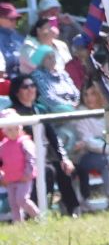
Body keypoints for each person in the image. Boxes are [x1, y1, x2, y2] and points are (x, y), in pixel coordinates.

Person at [8, 78, 76, 215]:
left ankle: (71, 210)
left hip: (43, 155)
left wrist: (64, 157)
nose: (30, 89)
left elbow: (53, 136)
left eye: (33, 85)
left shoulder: (41, 109)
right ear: (16, 92)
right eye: (25, 86)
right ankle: (39, 211)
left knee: (63, 168)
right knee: (47, 171)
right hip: (22, 158)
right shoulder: (11, 113)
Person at [1, 110, 41, 223]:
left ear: (21, 127)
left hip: (24, 178)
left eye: (16, 128)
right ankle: (18, 223)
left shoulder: (25, 142)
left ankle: (38, 217)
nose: (13, 132)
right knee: (13, 203)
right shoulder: (3, 145)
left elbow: (31, 157)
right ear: (4, 130)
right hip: (10, 179)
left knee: (22, 199)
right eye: (9, 129)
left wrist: (28, 172)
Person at [0, 3, 26, 77]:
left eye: (16, 19)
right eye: (11, 19)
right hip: (7, 79)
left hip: (24, 76)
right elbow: (6, 62)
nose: (15, 21)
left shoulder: (18, 36)